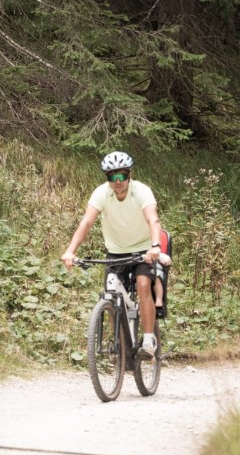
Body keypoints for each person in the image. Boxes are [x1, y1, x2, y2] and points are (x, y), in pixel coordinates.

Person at [61, 151, 167, 357]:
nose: (117, 182)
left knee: (144, 285)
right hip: (115, 252)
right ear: (107, 178)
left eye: (122, 176)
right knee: (110, 295)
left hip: (143, 251)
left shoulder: (142, 191)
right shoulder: (101, 193)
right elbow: (86, 222)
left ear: (129, 175)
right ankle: (122, 348)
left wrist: (155, 246)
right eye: (112, 177)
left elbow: (153, 220)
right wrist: (70, 251)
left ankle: (147, 340)